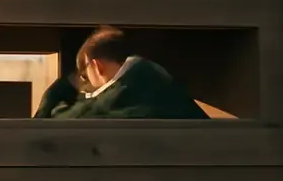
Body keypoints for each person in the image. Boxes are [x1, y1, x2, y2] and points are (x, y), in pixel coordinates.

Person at [33, 26, 208, 120]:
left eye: (86, 76)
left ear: (96, 66)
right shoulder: (152, 77)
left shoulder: (120, 93)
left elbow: (57, 123)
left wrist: (63, 90)